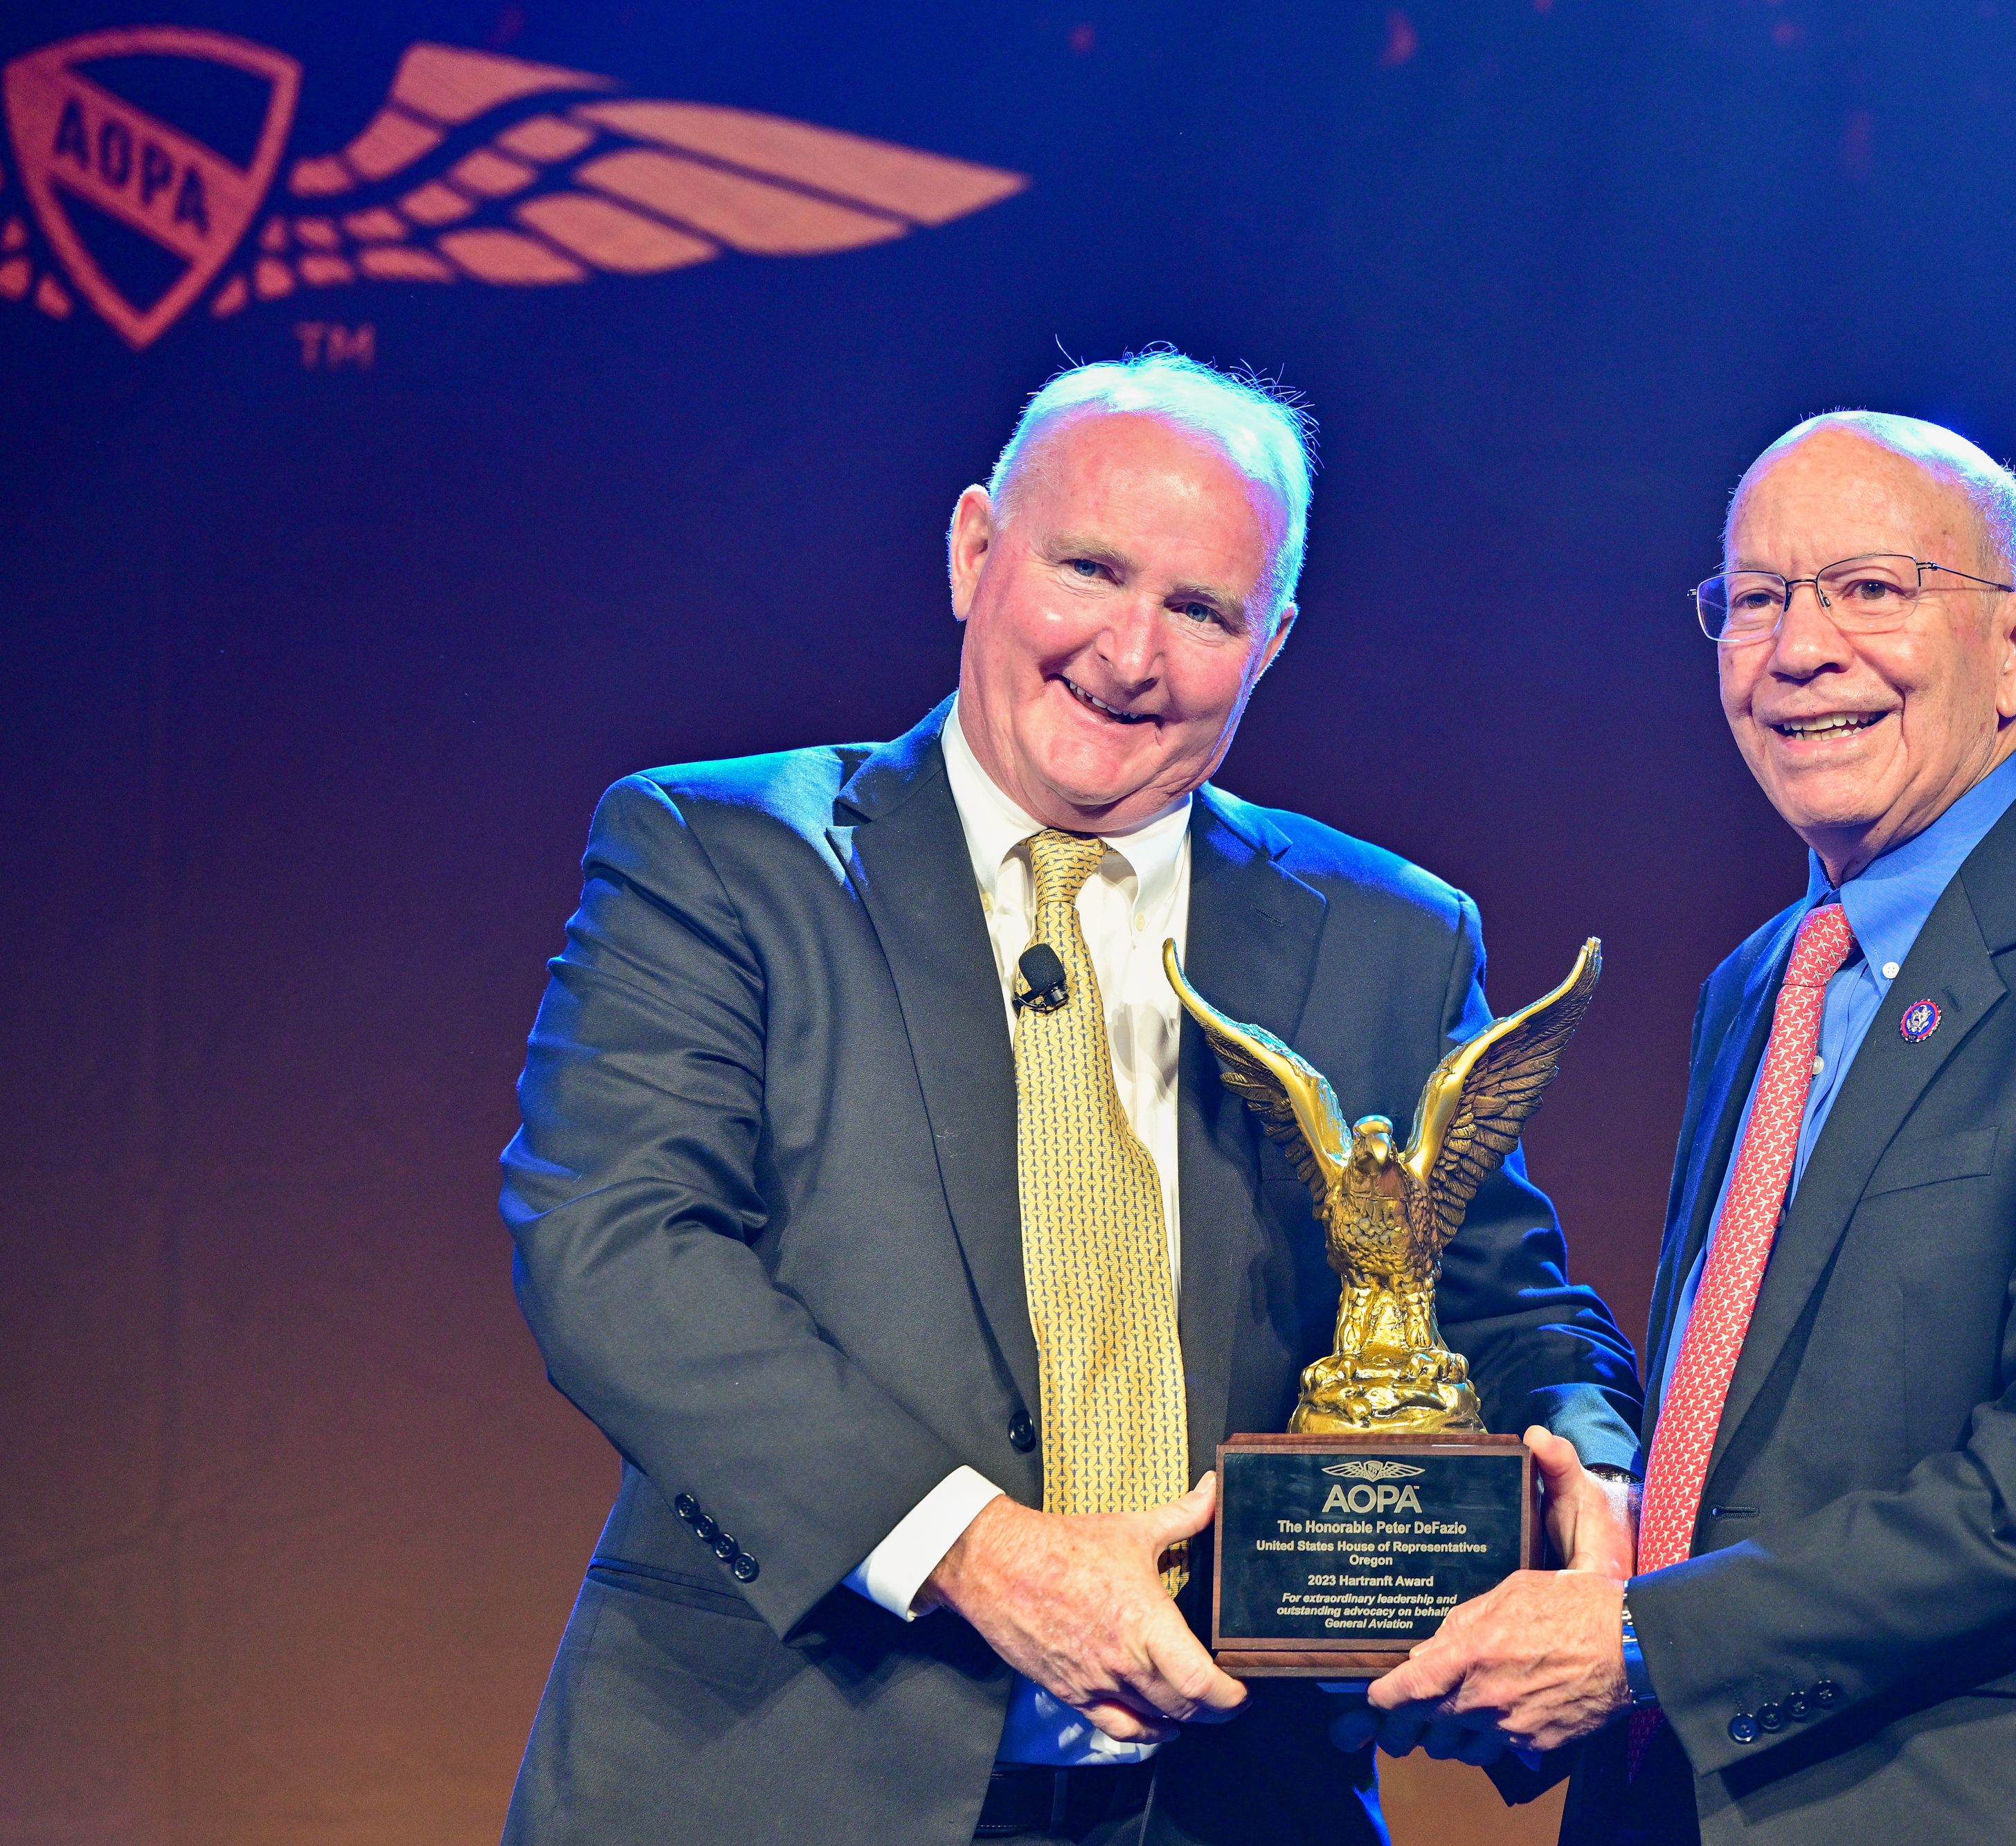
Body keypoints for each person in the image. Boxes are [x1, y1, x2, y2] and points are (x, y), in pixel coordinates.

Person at [498, 351, 1643, 1846]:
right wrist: (981, 1551)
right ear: (976, 548)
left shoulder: (1387, 933)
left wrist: (1588, 1491)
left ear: (1271, 639)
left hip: (1234, 1797)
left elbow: (1493, 1302)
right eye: (1088, 568)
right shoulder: (719, 854)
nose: (1128, 652)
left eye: (1201, 610)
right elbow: (620, 1252)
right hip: (781, 1772)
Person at [1359, 411, 2016, 1845]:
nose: (1796, 649)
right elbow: (1733, 1434)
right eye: (1752, 599)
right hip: (1682, 1794)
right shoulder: (1762, 980)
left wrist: (1635, 1643)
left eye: (1868, 588)